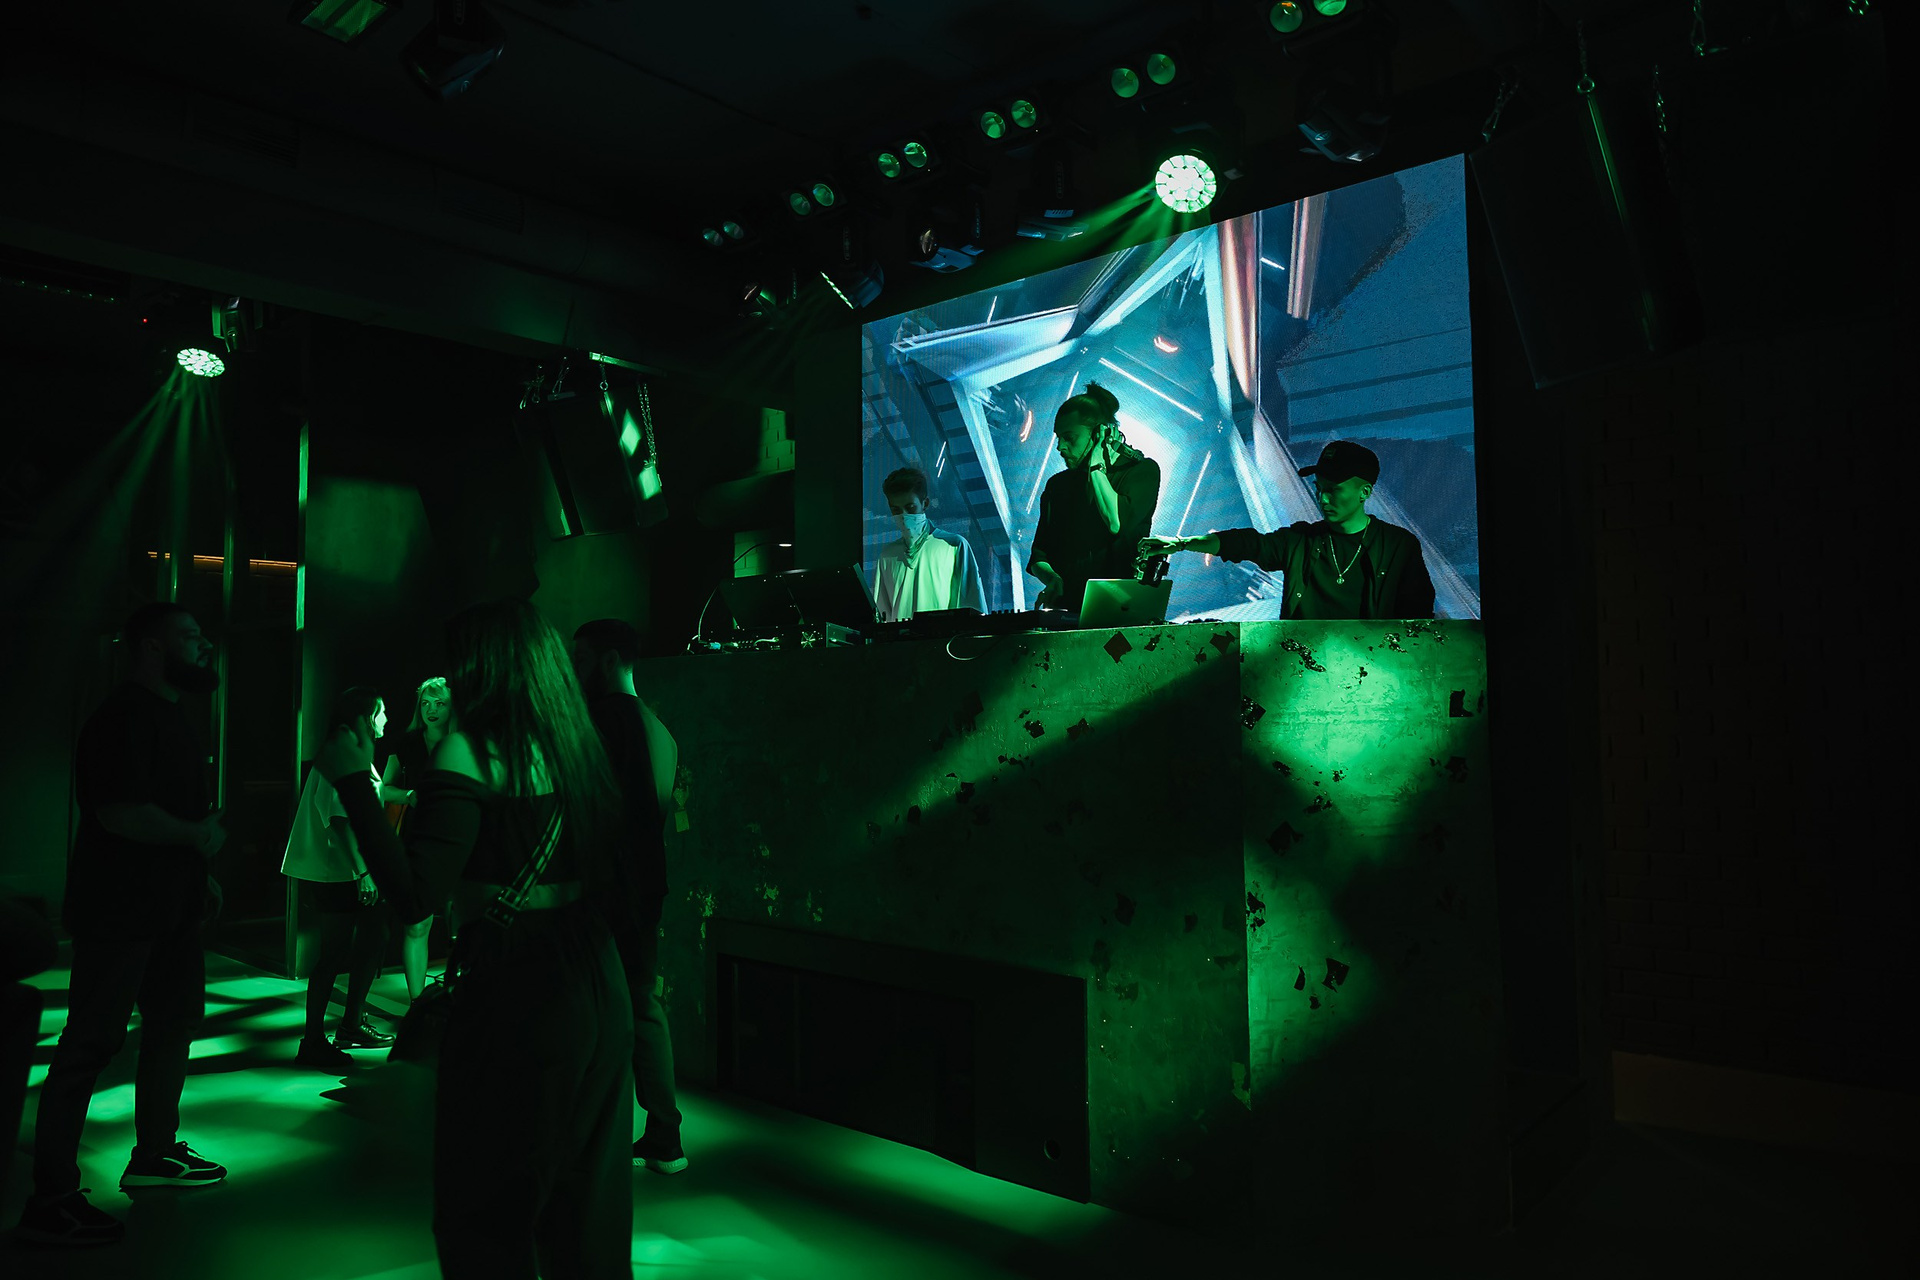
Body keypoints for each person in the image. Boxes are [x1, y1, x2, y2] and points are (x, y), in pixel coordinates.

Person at [314, 599, 637, 1280]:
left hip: (519, 983)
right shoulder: (577, 746)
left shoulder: (468, 751)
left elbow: (416, 896)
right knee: (588, 1213)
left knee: (484, 1215)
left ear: (483, 668)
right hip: (597, 974)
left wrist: (351, 781)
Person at [18, 604, 229, 1247]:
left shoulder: (167, 714)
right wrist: (196, 839)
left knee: (172, 1024)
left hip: (167, 910)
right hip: (120, 911)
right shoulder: (122, 718)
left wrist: (197, 877)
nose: (203, 646)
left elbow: (153, 814)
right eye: (189, 636)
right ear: (151, 647)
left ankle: (155, 1153)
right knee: (90, 1042)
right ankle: (51, 1199)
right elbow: (120, 813)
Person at [571, 618, 685, 1175]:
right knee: (642, 1004)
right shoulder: (662, 732)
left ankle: (595, 1137)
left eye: (581, 659)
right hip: (646, 886)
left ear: (610, 659)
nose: (574, 670)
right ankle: (664, 1134)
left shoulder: (598, 722)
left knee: (593, 1009)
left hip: (599, 889)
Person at [1138, 440, 1435, 620]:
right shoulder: (1301, 541)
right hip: (1303, 673)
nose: (1323, 498)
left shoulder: (1398, 546)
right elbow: (1246, 543)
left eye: (1334, 489)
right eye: (1319, 488)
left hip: (1372, 675)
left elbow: (1418, 619)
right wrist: (1181, 543)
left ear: (1364, 492)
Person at [283, 687, 397, 1069]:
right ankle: (314, 1041)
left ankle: (350, 1024)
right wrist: (363, 872)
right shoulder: (343, 755)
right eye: (381, 712)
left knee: (370, 940)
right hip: (339, 872)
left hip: (346, 870)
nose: (386, 720)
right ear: (365, 717)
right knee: (333, 954)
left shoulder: (348, 752)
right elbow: (339, 819)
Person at [1028, 381, 1162, 612]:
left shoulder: (1142, 471)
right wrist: (1052, 579)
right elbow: (1039, 556)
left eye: (1069, 437)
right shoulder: (1057, 486)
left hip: (1121, 610)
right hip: (1067, 612)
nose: (1060, 447)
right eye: (1058, 437)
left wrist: (1097, 461)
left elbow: (1115, 522)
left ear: (1101, 433)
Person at [383, 676, 451, 1002]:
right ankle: (417, 1004)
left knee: (462, 923)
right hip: (418, 840)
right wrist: (408, 795)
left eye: (439, 703)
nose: (431, 710)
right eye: (425, 703)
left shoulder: (464, 742)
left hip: (458, 839)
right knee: (417, 924)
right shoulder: (408, 742)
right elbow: (383, 788)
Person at [871, 467, 987, 623]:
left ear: (925, 503)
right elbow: (881, 617)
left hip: (944, 638)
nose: (903, 516)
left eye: (910, 508)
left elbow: (973, 610)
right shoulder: (887, 555)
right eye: (896, 510)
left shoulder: (954, 546)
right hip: (901, 639)